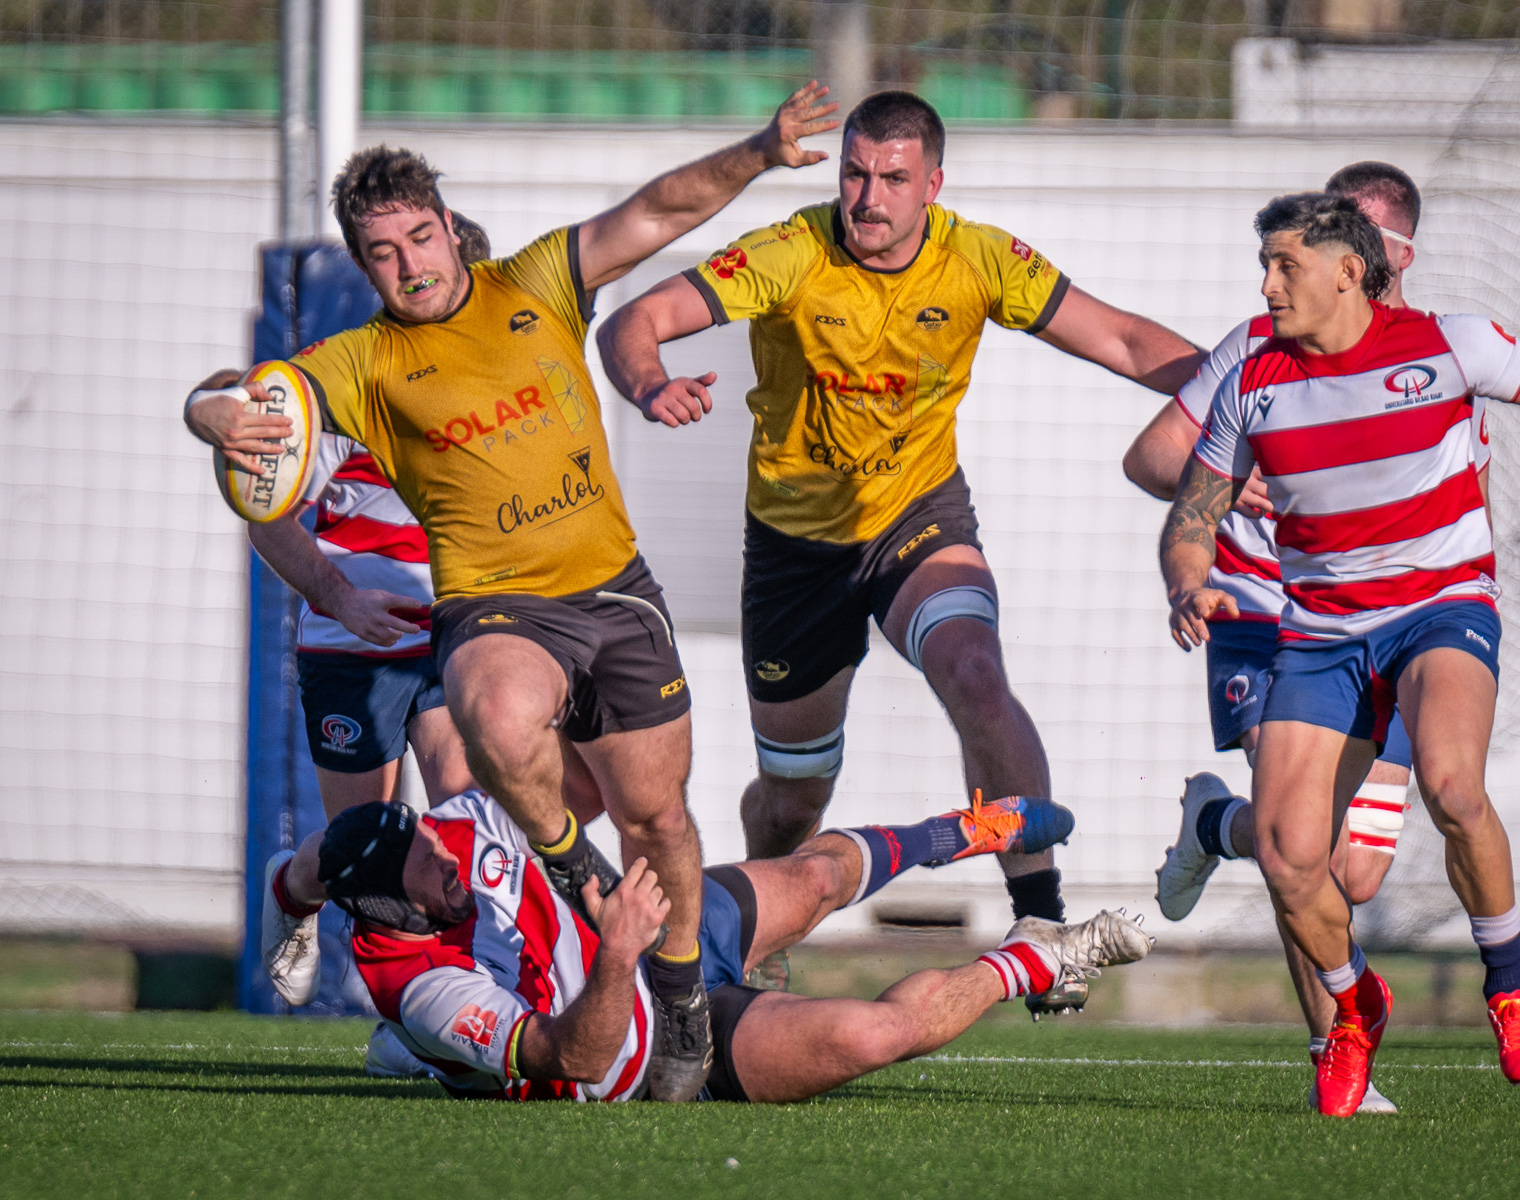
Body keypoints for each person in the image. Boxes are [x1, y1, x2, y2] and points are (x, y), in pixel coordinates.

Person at [182, 83, 841, 1101]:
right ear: (363, 270)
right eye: (383, 256)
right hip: (470, 615)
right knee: (455, 763)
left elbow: (657, 211)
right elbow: (245, 402)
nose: (408, 266)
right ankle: (523, 910)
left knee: (659, 819)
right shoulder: (361, 363)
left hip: (614, 594)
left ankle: (677, 1005)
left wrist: (757, 150)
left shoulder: (536, 281)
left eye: (419, 239)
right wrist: (209, 414)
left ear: (452, 231)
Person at [594, 90, 1203, 1011]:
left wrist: (1249, 404)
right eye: (854, 173)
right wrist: (648, 384)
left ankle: (1038, 917)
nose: (868, 197)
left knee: (976, 674)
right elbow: (630, 321)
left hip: (918, 522)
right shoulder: (791, 252)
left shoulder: (979, 258)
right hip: (797, 553)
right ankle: (760, 915)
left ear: (934, 186)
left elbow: (1120, 338)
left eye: (893, 178)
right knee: (796, 795)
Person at [1159, 191, 1520, 1117]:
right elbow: (1189, 514)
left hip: (1441, 609)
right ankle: (1356, 1007)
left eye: (1285, 266)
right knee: (1288, 857)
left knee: (1453, 785)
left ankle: (1508, 986)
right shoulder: (1253, 381)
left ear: (1348, 271)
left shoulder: (1447, 346)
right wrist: (1187, 582)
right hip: (1320, 635)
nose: (1266, 285)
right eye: (1265, 266)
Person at [1132, 164, 1432, 1114]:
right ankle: (1336, 1056)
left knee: (1353, 869)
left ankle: (1211, 824)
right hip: (1266, 613)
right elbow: (1155, 462)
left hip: (1391, 624)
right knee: (1293, 848)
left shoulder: (1432, 354)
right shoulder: (1256, 347)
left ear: (1390, 258)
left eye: (1362, 234)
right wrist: (1225, 492)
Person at [297, 787, 1141, 1103]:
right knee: (869, 1036)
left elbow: (591, 776)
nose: (451, 861)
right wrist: (617, 954)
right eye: (431, 872)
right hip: (656, 1044)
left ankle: (961, 829)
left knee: (812, 880)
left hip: (663, 932)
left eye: (441, 847)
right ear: (387, 909)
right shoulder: (421, 986)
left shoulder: (459, 822)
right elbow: (573, 1059)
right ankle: (1045, 956)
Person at [249, 215, 492, 1016]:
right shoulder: (349, 390)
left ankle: (449, 1008)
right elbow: (267, 517)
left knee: (466, 831)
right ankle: (292, 889)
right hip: (356, 647)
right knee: (371, 850)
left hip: (458, 640)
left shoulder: (507, 394)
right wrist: (341, 599)